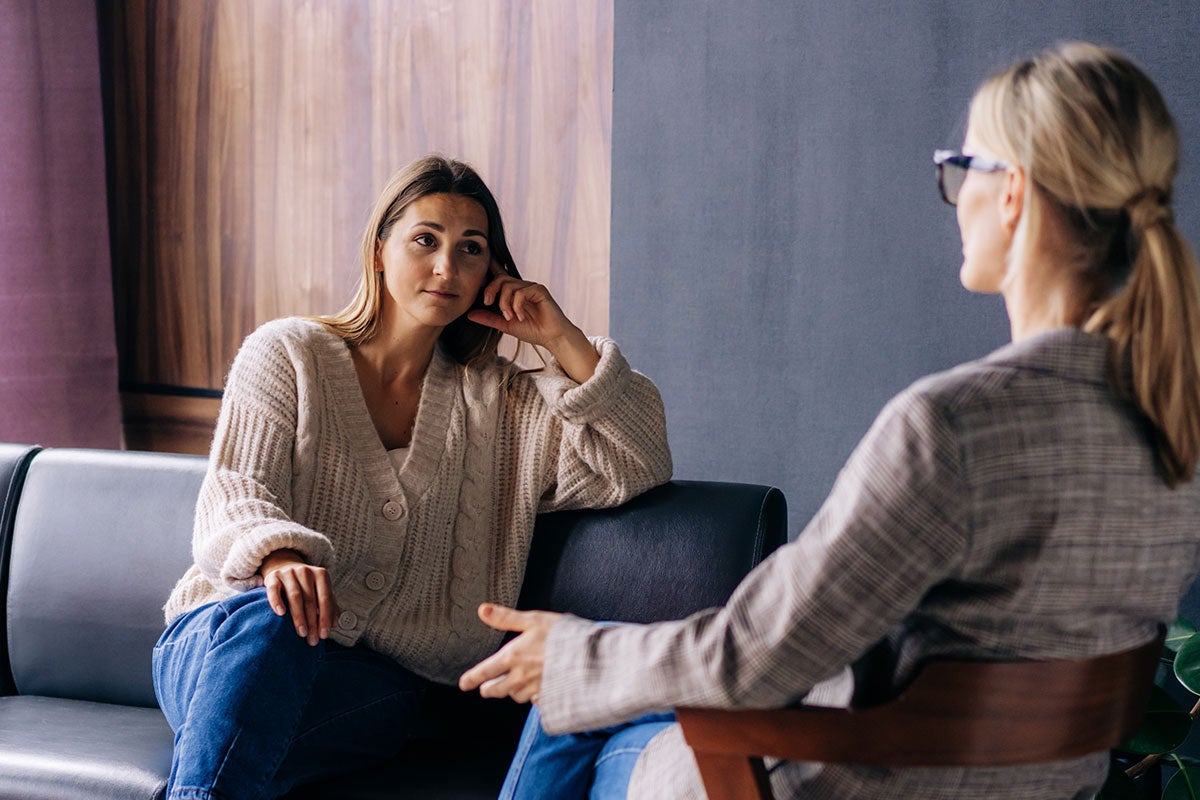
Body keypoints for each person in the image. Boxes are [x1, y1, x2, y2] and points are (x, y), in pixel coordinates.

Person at [459, 42, 1200, 799]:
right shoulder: (1172, 427)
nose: (954, 195)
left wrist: (574, 655)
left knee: (569, 708)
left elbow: (757, 657)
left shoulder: (955, 427)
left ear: (1010, 193)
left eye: (960, 168)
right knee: (585, 695)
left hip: (845, 780)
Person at [151, 155, 672, 800]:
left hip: (376, 686)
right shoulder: (287, 353)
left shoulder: (503, 405)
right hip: (223, 639)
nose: (446, 267)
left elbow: (638, 460)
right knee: (271, 624)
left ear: (492, 273)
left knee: (265, 737)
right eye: (425, 240)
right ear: (379, 250)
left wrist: (562, 338)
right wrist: (278, 555)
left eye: (471, 250)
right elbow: (233, 489)